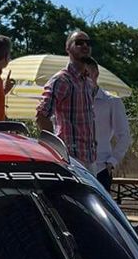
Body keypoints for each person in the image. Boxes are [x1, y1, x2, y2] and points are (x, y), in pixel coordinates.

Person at [35, 31, 97, 167]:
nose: (85, 46)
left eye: (88, 43)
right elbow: (41, 115)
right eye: (79, 43)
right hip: (69, 157)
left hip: (89, 157)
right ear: (68, 48)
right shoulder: (62, 80)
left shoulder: (87, 81)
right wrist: (54, 150)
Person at [80, 56, 131, 191]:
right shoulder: (72, 101)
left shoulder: (111, 101)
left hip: (100, 168)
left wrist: (112, 161)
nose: (83, 78)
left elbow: (124, 135)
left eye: (86, 74)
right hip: (76, 167)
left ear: (96, 74)